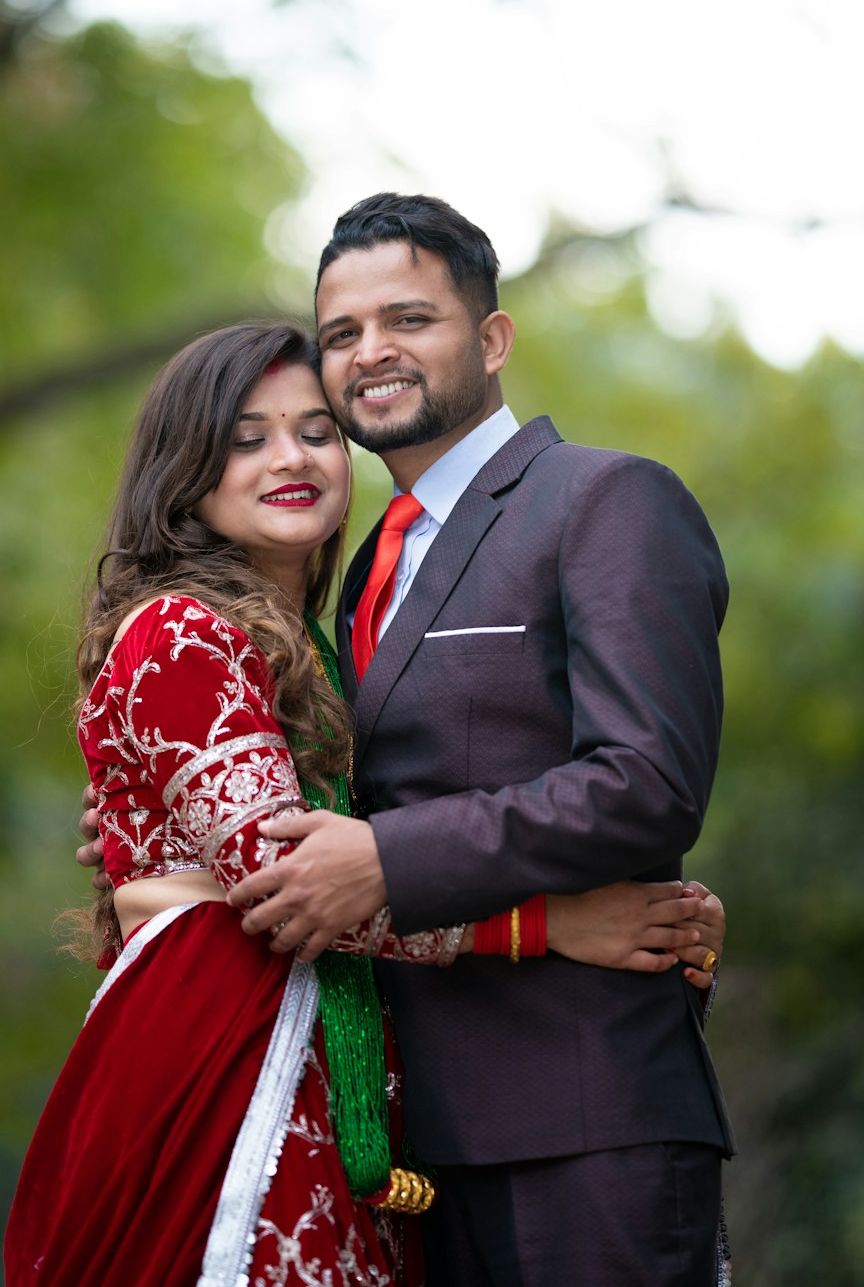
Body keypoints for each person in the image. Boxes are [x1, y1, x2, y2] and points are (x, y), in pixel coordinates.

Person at [23, 321, 725, 1287]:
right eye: (246, 438)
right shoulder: (185, 631)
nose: (291, 459)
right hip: (223, 1062)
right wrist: (548, 924)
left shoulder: (324, 634)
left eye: (315, 432)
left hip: (334, 1059)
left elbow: (349, 832)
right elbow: (296, 887)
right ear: (185, 470)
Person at [225, 194, 736, 1287]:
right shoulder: (364, 566)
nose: (371, 354)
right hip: (409, 1146)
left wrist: (385, 863)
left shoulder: (603, 502)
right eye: (342, 334)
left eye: (409, 319)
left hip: (585, 1119)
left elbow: (647, 782)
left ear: (492, 339)